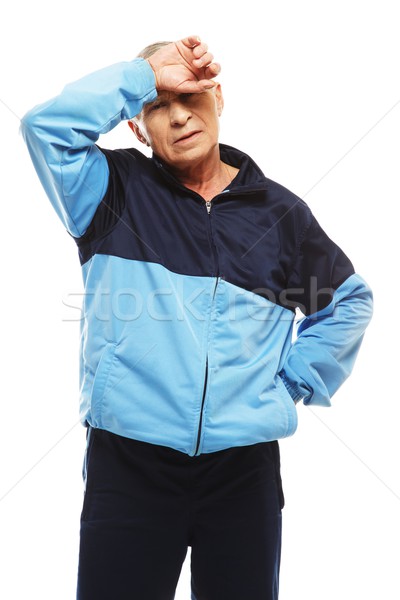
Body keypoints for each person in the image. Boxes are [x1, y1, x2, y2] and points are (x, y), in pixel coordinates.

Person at [21, 35, 373, 600]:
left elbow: (349, 301)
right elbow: (44, 129)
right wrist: (143, 75)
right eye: (159, 105)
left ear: (219, 97)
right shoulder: (111, 190)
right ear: (137, 127)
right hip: (128, 464)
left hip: (243, 473)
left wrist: (291, 383)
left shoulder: (280, 214)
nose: (179, 116)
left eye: (191, 97)